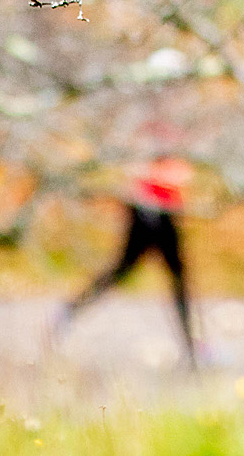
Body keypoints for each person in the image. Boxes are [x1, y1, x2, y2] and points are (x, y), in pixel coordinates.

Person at [54, 154, 198, 364]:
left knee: (178, 279)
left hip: (167, 210)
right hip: (144, 209)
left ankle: (190, 347)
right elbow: (132, 162)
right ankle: (70, 310)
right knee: (123, 270)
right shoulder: (142, 133)